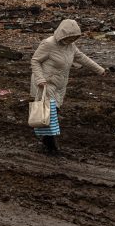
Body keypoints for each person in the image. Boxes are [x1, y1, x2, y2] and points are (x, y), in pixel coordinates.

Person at [30, 19, 106, 155]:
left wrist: (99, 69)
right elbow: (35, 61)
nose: (70, 40)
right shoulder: (48, 44)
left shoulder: (70, 46)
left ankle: (45, 142)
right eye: (68, 37)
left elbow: (82, 58)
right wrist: (40, 79)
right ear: (62, 34)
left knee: (52, 115)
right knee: (51, 115)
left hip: (60, 85)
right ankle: (51, 147)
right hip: (47, 84)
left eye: (73, 37)